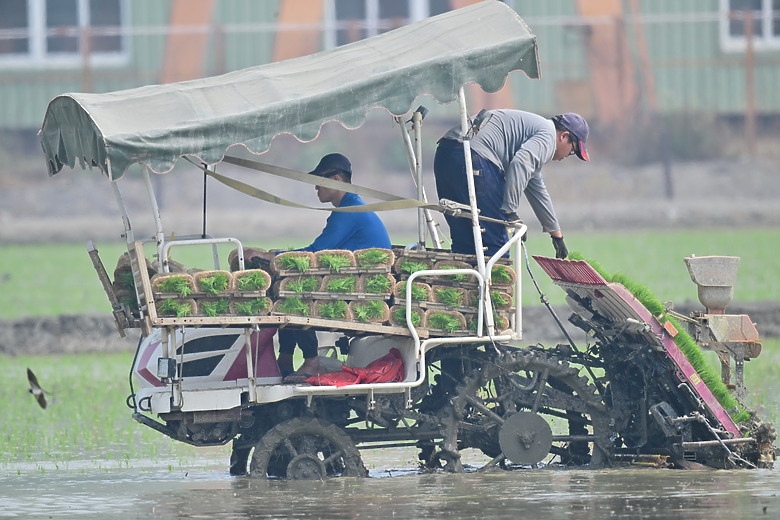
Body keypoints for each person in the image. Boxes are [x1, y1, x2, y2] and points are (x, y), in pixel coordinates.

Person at [273, 153, 392, 381]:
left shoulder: (350, 211)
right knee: (289, 285)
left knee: (295, 291)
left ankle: (311, 361)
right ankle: (285, 359)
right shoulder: (350, 207)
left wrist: (273, 255)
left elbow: (314, 253)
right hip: (355, 282)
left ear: (336, 179)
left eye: (320, 179)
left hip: (365, 291)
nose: (316, 186)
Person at [433, 110, 589, 258]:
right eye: (572, 150)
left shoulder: (537, 131)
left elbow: (536, 187)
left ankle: (462, 283)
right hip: (474, 155)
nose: (568, 156)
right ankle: (489, 284)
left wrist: (556, 235)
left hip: (446, 152)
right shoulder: (548, 137)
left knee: (465, 242)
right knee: (495, 248)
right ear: (564, 136)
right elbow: (520, 164)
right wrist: (510, 212)